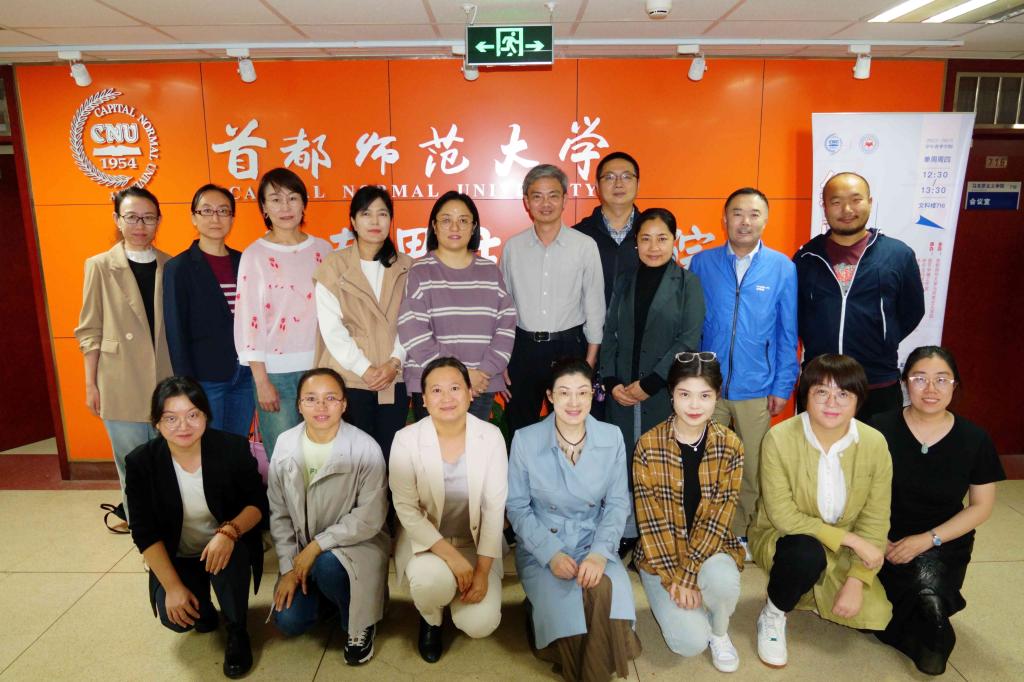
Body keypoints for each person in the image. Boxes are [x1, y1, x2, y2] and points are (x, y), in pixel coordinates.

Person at [749, 354, 893, 669]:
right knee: (805, 555)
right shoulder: (779, 438)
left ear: (858, 399)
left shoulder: (874, 444)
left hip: (841, 545)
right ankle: (774, 612)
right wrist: (852, 541)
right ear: (806, 395)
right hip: (784, 535)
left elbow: (875, 518)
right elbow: (783, 516)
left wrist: (857, 580)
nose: (832, 403)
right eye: (821, 392)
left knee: (874, 617)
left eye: (843, 393)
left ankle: (812, 590)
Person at [868, 346, 1005, 675]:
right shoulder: (877, 428)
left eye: (942, 379)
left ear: (955, 385)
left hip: (942, 542)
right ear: (904, 383)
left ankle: (928, 620)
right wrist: (875, 538)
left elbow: (981, 507)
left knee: (929, 605)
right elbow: (857, 494)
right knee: (868, 610)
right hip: (881, 537)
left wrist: (927, 539)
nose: (931, 389)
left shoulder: (975, 438)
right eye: (920, 379)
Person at [124, 376, 267, 679]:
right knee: (178, 617)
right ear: (156, 423)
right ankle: (202, 606)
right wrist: (173, 588)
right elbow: (144, 532)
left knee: (230, 558)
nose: (183, 426)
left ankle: (237, 630)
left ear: (205, 415)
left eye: (193, 414)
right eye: (171, 418)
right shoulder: (141, 463)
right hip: (179, 554)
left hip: (226, 546)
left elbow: (257, 504)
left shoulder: (231, 448)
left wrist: (229, 532)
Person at [507, 358, 641, 682]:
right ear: (550, 396)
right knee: (574, 616)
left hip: (593, 537)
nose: (574, 402)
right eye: (564, 393)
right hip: (543, 543)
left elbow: (617, 504)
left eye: (582, 392)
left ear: (592, 394)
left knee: (602, 588)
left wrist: (599, 554)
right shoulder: (526, 439)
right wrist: (550, 553)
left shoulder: (611, 437)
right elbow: (517, 507)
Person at [689, 187, 798, 553]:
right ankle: (708, 526)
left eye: (754, 214)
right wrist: (692, 380)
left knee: (751, 466)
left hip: (757, 387)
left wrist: (782, 385)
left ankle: (744, 530)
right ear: (724, 219)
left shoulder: (782, 267)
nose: (745, 221)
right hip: (709, 387)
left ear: (765, 220)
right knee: (708, 463)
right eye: (737, 213)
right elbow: (693, 326)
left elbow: (787, 333)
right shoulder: (702, 263)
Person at [389, 357, 508, 663]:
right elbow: (406, 510)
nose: (446, 398)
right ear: (424, 400)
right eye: (436, 390)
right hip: (427, 544)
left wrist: (481, 572)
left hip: (475, 543)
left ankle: (458, 591)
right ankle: (431, 618)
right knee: (429, 583)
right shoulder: (406, 440)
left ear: (470, 393)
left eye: (455, 388)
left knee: (480, 623)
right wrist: (453, 559)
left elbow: (494, 509)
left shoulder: (490, 437)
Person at [267, 368, 389, 666]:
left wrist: (317, 545)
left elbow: (370, 517)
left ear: (344, 404)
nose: (321, 406)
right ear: (299, 405)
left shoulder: (365, 448)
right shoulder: (285, 443)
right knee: (289, 621)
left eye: (330, 398)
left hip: (356, 546)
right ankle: (332, 598)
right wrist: (287, 567)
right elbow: (279, 512)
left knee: (329, 564)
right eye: (311, 399)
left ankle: (359, 622)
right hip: (303, 552)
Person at [600, 207, 704, 552]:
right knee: (623, 463)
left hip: (661, 392)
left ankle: (656, 535)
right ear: (636, 243)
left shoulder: (688, 283)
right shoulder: (625, 281)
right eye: (645, 239)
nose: (654, 247)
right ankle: (626, 530)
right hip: (622, 391)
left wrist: (651, 383)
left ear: (674, 240)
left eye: (662, 238)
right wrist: (611, 380)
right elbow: (610, 333)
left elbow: (688, 340)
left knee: (660, 465)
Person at [633, 353, 745, 672]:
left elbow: (718, 520)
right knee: (689, 642)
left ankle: (720, 632)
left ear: (717, 396)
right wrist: (675, 579)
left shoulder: (730, 445)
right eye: (685, 394)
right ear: (671, 394)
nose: (694, 405)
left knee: (723, 582)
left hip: (711, 549)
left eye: (704, 396)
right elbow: (651, 524)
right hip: (660, 557)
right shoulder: (648, 446)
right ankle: (698, 618)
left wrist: (688, 576)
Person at [75, 186, 172, 532]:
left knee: (168, 462)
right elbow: (89, 329)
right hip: (119, 379)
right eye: (131, 217)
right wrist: (91, 384)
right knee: (132, 464)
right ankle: (143, 533)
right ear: (117, 220)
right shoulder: (100, 266)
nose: (140, 226)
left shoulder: (170, 265)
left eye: (148, 218)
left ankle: (171, 527)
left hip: (165, 380)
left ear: (159, 220)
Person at [794, 172, 925, 420]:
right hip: (820, 384)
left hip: (878, 383)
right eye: (836, 202)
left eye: (856, 200)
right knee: (814, 446)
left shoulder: (897, 254)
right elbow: (796, 315)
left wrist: (884, 338)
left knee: (877, 445)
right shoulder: (807, 257)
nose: (847, 210)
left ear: (870, 202)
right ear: (824, 207)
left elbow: (913, 310)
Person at [500, 164, 605, 437]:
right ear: (526, 201)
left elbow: (594, 306)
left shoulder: (584, 246)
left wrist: (589, 362)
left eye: (553, 195)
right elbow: (504, 308)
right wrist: (503, 359)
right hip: (522, 349)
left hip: (569, 347)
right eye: (537, 196)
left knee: (571, 428)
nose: (545, 203)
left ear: (565, 199)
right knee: (521, 429)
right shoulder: (513, 247)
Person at [234, 167, 331, 459]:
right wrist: (261, 380)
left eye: (292, 198)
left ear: (304, 203)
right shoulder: (254, 254)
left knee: (322, 453)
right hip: (276, 375)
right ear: (264, 208)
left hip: (320, 367)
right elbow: (248, 320)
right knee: (284, 458)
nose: (285, 207)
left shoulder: (323, 250)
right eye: (275, 200)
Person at [398, 191, 517, 422]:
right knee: (433, 446)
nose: (455, 227)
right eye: (446, 220)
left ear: (474, 227)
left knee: (475, 445)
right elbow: (414, 334)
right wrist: (460, 375)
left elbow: (506, 327)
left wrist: (483, 371)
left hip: (480, 382)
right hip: (434, 384)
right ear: (434, 226)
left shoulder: (490, 272)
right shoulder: (419, 272)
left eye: (463, 220)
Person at [314, 185, 411, 462]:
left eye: (382, 213)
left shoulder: (407, 266)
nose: (375, 221)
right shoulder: (334, 266)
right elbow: (332, 330)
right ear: (353, 222)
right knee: (354, 458)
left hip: (394, 377)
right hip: (349, 377)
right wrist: (364, 369)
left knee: (390, 457)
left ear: (390, 220)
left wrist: (394, 362)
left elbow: (412, 320)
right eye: (366, 213)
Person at [164, 184, 254, 437]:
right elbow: (175, 330)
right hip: (205, 378)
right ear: (194, 217)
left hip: (246, 374)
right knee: (208, 445)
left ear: (232, 218)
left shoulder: (245, 261)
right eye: (206, 211)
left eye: (223, 211)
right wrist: (186, 385)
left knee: (237, 443)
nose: (215, 218)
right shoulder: (178, 268)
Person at [573, 151, 642, 307]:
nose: (618, 184)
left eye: (626, 177)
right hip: (590, 323)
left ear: (638, 184)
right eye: (609, 177)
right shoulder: (577, 235)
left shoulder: (653, 234)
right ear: (597, 186)